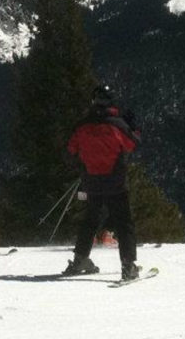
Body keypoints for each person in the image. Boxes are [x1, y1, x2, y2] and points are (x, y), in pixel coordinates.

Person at [63, 84, 142, 280]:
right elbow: (133, 144)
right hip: (115, 181)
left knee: (90, 220)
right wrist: (133, 127)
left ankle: (80, 259)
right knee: (124, 222)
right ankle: (128, 265)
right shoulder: (117, 124)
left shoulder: (82, 126)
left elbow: (71, 149)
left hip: (91, 182)